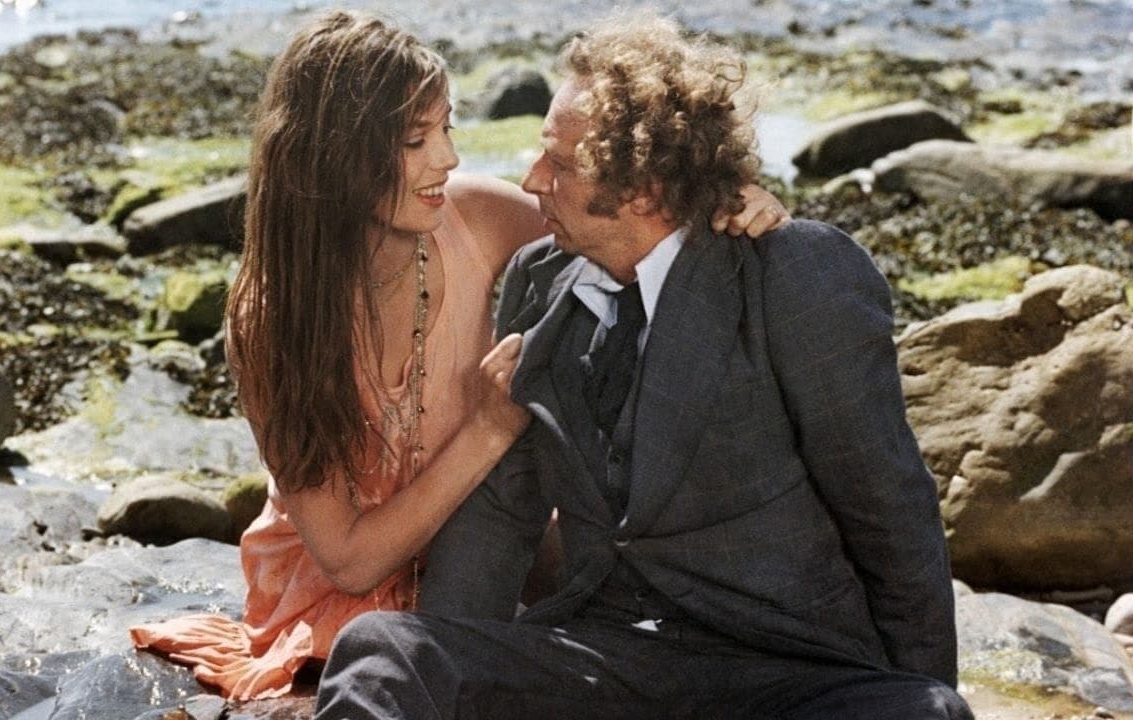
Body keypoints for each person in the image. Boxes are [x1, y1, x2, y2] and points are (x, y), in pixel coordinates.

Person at [315, 15, 974, 720]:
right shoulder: (539, 279)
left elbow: (888, 509)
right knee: (386, 652)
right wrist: (450, 666)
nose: (533, 181)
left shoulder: (793, 273)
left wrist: (925, 686)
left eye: (560, 164)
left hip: (788, 673)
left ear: (645, 190)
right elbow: (504, 514)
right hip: (609, 662)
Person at [129, 10, 789, 701]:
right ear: (334, 155)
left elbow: (625, 226)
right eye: (417, 140)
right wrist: (492, 427)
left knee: (665, 618)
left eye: (447, 128)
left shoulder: (470, 217)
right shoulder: (273, 318)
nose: (446, 158)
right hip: (339, 597)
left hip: (485, 540)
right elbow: (349, 561)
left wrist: (722, 199)